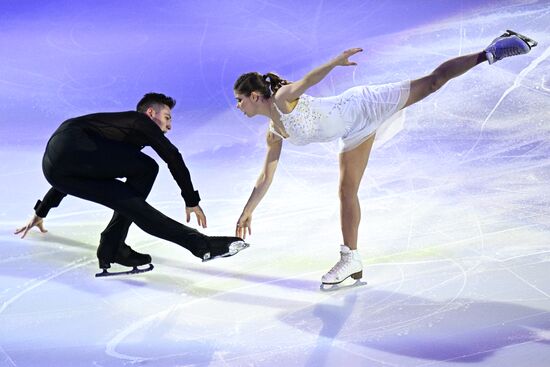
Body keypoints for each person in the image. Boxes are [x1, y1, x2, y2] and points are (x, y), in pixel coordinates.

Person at [233, 30, 537, 285]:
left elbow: (309, 80)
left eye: (240, 100)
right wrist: (248, 210)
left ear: (255, 96)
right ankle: (350, 258)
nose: (238, 107)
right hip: (353, 133)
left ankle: (491, 51)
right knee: (346, 191)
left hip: (364, 105)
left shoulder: (283, 98)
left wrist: (335, 62)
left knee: (431, 83)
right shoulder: (273, 134)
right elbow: (265, 177)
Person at [15, 93, 248, 275]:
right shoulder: (138, 121)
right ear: (150, 113)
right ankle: (200, 244)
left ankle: (112, 246)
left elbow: (68, 168)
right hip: (70, 140)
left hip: (57, 172)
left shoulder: (112, 150)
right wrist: (191, 200)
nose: (169, 127)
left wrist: (41, 211)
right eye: (167, 118)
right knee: (148, 167)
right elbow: (172, 156)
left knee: (131, 201)